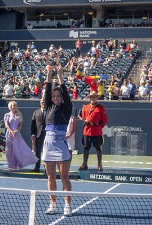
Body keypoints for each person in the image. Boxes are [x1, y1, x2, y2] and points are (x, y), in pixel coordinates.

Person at [43, 64, 72, 216]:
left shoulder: (66, 108)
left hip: (61, 144)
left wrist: (60, 75)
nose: (55, 98)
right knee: (51, 176)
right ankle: (53, 204)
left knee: (64, 176)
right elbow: (47, 88)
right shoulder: (48, 107)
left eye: (58, 96)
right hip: (48, 145)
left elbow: (65, 91)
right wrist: (49, 73)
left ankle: (67, 205)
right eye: (54, 96)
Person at [4, 101, 38, 171]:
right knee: (8, 150)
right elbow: (6, 124)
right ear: (10, 107)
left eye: (15, 105)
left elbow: (20, 125)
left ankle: (16, 165)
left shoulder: (19, 115)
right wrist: (11, 131)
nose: (15, 107)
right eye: (13, 105)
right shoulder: (7, 115)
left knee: (17, 149)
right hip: (9, 134)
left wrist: (16, 131)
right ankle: (10, 165)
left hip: (17, 134)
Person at [78, 91, 108, 171]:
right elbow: (83, 117)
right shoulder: (85, 107)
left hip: (96, 130)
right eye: (91, 97)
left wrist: (98, 126)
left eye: (94, 97)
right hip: (87, 130)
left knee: (98, 147)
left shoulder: (101, 108)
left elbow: (104, 120)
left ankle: (99, 164)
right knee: (86, 147)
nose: (93, 98)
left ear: (97, 98)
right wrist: (85, 121)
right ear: (89, 98)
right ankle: (84, 163)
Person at [30, 99, 46, 172]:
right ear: (40, 103)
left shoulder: (50, 111)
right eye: (42, 102)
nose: (44, 103)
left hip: (48, 134)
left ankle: (47, 167)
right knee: (38, 151)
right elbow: (33, 125)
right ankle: (37, 167)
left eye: (45, 102)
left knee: (47, 151)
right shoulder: (36, 112)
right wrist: (33, 134)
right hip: (38, 134)